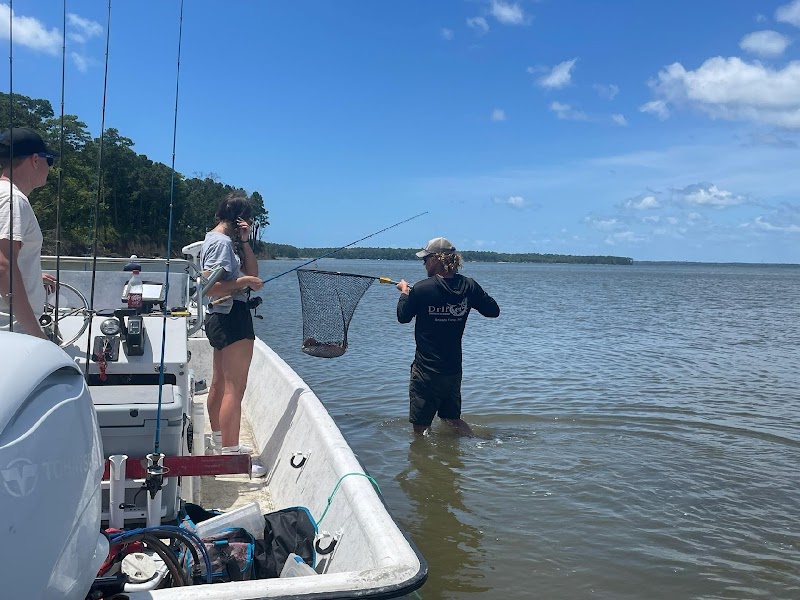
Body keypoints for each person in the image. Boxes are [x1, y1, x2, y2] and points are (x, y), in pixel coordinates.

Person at [396, 237, 499, 436]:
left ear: (436, 259)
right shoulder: (469, 286)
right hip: (453, 370)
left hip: (426, 371)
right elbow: (493, 311)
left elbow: (402, 317)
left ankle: (423, 460)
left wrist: (405, 293)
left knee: (420, 426)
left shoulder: (422, 288)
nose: (424, 263)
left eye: (425, 259)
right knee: (452, 419)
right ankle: (474, 443)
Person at [201, 192, 263, 455]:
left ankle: (219, 439)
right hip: (230, 316)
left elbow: (253, 273)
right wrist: (243, 283)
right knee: (234, 388)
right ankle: (230, 451)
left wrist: (246, 242)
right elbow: (209, 287)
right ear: (240, 219)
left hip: (220, 316)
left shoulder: (221, 241)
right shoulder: (221, 244)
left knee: (220, 383)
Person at [0, 127, 59, 338]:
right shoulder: (11, 199)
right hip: (12, 332)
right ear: (35, 160)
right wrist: (36, 333)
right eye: (49, 160)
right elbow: (3, 266)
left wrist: (31, 276)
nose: (49, 167)